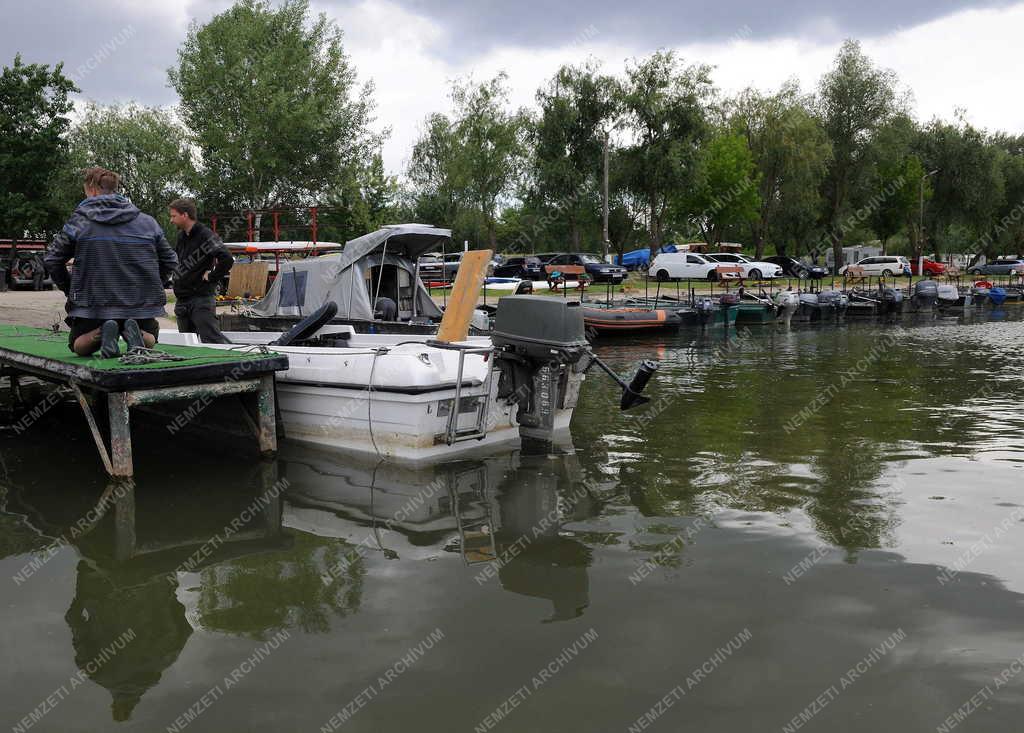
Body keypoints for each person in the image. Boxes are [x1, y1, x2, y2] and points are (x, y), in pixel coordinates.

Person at [44, 167, 178, 357]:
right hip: (139, 305)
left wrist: (71, 289)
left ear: (92, 189)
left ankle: (101, 332)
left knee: (77, 345)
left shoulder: (79, 222)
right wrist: (153, 285)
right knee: (151, 338)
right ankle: (138, 337)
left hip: (92, 305)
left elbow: (52, 259)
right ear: (116, 189)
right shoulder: (147, 222)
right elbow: (171, 260)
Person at [168, 198, 233, 343]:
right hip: (182, 300)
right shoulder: (181, 237)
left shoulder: (205, 235)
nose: (171, 220)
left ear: (185, 215)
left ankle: (237, 361)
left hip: (200, 300)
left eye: (173, 216)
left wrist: (212, 276)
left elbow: (227, 258)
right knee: (188, 345)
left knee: (213, 341)